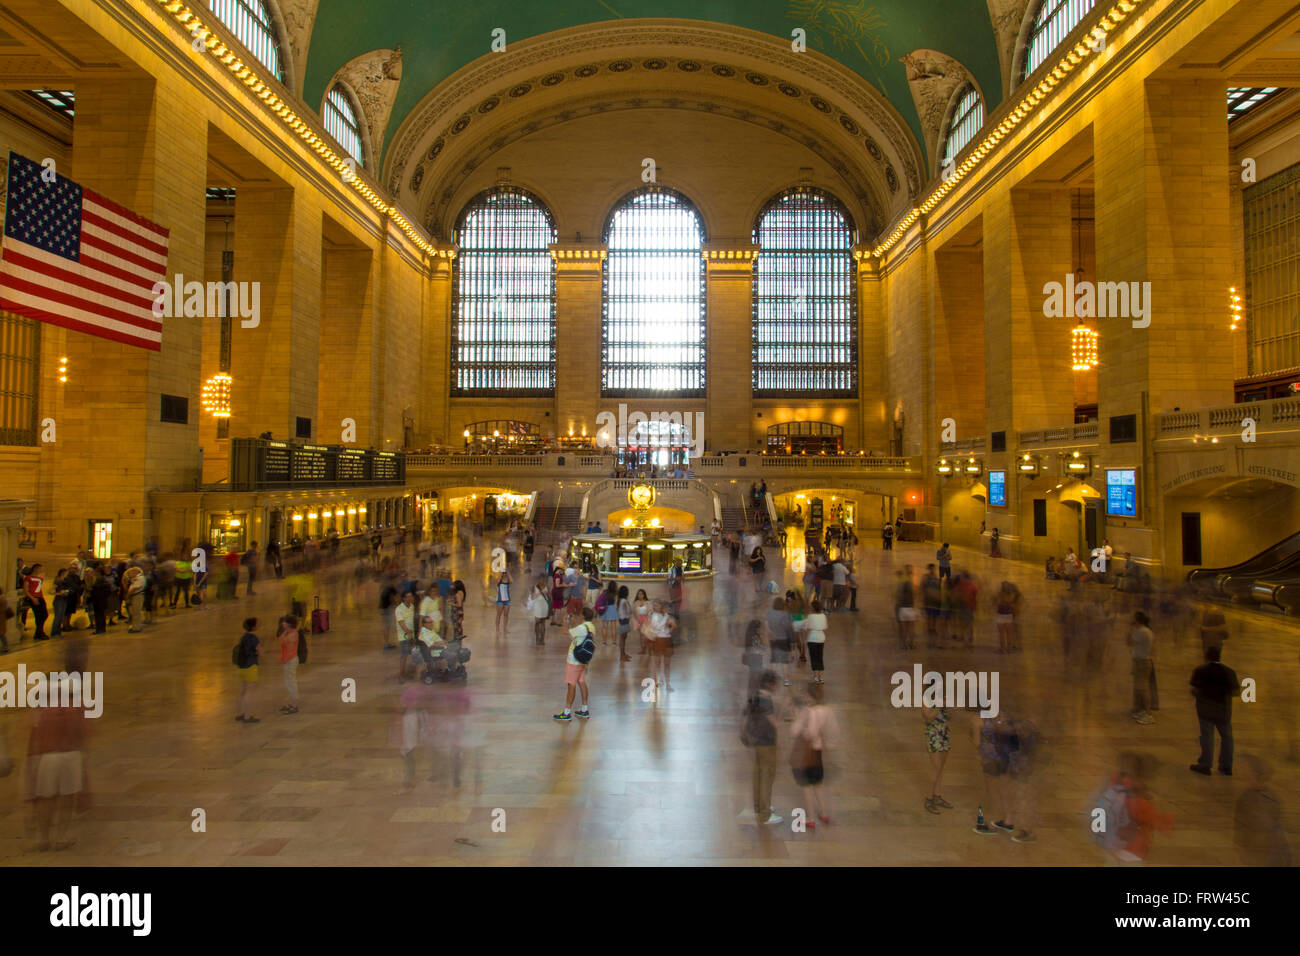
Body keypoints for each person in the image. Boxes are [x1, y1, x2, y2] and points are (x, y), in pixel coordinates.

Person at [28, 640, 91, 851]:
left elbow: (36, 737)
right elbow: (82, 733)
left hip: (48, 757)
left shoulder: (44, 711)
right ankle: (61, 836)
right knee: (67, 799)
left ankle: (43, 838)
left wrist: (34, 762)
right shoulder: (75, 706)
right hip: (70, 755)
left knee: (46, 799)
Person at [789, 683, 836, 827]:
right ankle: (824, 813)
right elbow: (831, 731)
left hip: (806, 753)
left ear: (809, 695)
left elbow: (801, 732)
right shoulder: (827, 710)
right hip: (818, 751)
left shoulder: (808, 711)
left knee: (806, 786)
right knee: (818, 784)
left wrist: (797, 719)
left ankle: (810, 818)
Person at [1233, 755, 1292, 866]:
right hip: (1257, 849)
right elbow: (1240, 824)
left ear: (1256, 775)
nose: (1241, 777)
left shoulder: (1265, 797)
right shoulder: (1245, 797)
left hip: (1265, 849)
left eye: (1245, 774)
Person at [1189, 645, 1239, 776]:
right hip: (1223, 710)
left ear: (1206, 657)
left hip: (1205, 710)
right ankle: (1226, 766)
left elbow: (1194, 691)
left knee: (1207, 738)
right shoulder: (1229, 671)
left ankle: (1205, 765)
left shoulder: (1200, 670)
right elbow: (1236, 692)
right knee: (1227, 738)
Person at [743, 671, 783, 826]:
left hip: (757, 741)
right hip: (767, 742)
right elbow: (775, 723)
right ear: (771, 684)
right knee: (767, 776)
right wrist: (784, 708)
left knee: (758, 774)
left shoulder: (755, 697)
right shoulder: (766, 701)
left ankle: (759, 806)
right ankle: (765, 814)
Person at [554, 607, 596, 721]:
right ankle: (584, 709)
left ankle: (567, 712)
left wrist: (564, 621)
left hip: (574, 660)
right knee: (581, 682)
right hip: (583, 660)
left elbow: (565, 632)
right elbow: (577, 632)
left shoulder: (581, 628)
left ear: (583, 616)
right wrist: (573, 621)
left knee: (571, 684)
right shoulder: (591, 627)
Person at [922, 704, 952, 814]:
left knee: (941, 767)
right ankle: (929, 798)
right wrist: (938, 707)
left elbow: (949, 717)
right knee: (935, 767)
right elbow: (928, 718)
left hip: (944, 733)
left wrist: (948, 707)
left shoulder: (944, 699)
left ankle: (937, 795)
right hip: (934, 735)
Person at [1128, 611, 1157, 724]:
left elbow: (1129, 642)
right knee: (1139, 688)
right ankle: (1142, 710)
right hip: (1141, 661)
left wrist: (1129, 629)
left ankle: (1149, 714)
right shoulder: (1145, 631)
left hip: (1142, 662)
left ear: (1137, 620)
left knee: (1143, 688)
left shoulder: (1142, 631)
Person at [646, 599, 677, 691]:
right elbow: (650, 626)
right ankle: (656, 682)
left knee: (667, 663)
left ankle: (668, 683)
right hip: (657, 640)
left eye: (657, 605)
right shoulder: (651, 615)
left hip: (666, 640)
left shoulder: (666, 616)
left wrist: (668, 632)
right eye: (654, 605)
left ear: (661, 606)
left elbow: (674, 625)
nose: (656, 607)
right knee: (657, 663)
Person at [795, 600, 828, 684]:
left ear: (813, 608)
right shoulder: (823, 616)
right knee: (820, 657)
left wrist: (805, 639)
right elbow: (825, 628)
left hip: (812, 639)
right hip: (821, 638)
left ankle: (815, 676)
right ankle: (820, 677)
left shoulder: (810, 616)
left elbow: (808, 628)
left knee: (814, 658)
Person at [235, 617, 261, 723]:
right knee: (249, 692)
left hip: (241, 667)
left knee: (242, 690)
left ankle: (239, 713)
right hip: (251, 666)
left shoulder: (243, 637)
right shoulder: (254, 638)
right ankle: (247, 716)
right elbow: (259, 651)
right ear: (253, 626)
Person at [765, 596, 795, 687]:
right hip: (784, 639)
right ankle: (786, 680)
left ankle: (772, 680)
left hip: (773, 640)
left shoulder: (769, 613)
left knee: (774, 659)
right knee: (784, 661)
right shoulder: (786, 614)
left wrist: (770, 633)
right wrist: (792, 642)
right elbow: (790, 628)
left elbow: (766, 625)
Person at [278, 615, 300, 715]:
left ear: (289, 624)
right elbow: (280, 640)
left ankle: (294, 705)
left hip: (290, 660)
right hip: (287, 660)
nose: (283, 623)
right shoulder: (288, 632)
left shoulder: (293, 634)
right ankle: (291, 703)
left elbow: (287, 645)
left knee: (291, 682)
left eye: (285, 622)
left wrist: (286, 660)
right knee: (288, 682)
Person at [395, 591, 417, 681]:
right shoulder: (399, 609)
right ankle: (401, 674)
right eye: (408, 597)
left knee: (414, 653)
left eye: (411, 596)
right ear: (404, 598)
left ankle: (411, 672)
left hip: (412, 635)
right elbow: (401, 623)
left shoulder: (412, 606)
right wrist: (407, 631)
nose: (410, 598)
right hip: (403, 636)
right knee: (404, 655)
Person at [23, 564, 48, 641]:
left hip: (40, 597)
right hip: (33, 597)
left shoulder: (40, 578)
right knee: (38, 615)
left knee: (44, 614)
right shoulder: (28, 578)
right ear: (36, 569)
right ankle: (39, 633)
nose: (41, 570)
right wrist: (32, 598)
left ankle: (39, 631)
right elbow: (26, 590)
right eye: (40, 569)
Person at [895, 567, 917, 649]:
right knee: (910, 627)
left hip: (903, 607)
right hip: (909, 607)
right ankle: (911, 643)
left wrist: (898, 605)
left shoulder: (902, 584)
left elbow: (899, 596)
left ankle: (904, 644)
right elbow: (913, 596)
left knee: (904, 628)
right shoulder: (909, 584)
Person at [596, 581, 619, 646]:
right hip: (612, 608)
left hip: (605, 608)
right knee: (613, 627)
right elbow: (616, 602)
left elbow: (599, 598)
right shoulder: (616, 592)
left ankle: (604, 642)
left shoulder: (605, 592)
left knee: (604, 627)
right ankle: (614, 642)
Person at [529, 578, 550, 646]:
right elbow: (532, 597)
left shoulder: (547, 587)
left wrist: (546, 593)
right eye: (540, 579)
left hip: (544, 605)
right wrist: (538, 593)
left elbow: (549, 597)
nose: (541, 581)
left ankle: (542, 639)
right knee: (537, 621)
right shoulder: (534, 587)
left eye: (543, 579)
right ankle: (537, 638)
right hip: (537, 605)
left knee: (543, 622)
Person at [615, 584, 633, 662]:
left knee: (623, 637)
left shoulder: (620, 601)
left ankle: (623, 654)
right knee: (622, 638)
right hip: (624, 620)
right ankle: (622, 655)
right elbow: (628, 611)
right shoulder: (624, 601)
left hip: (622, 620)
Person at [493, 568, 512, 638]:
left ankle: (505, 628)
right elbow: (497, 581)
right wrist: (500, 574)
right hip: (500, 600)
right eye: (503, 573)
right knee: (499, 615)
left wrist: (508, 573)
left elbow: (512, 581)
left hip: (507, 600)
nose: (504, 574)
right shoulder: (499, 580)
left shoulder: (508, 580)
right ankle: (497, 629)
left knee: (506, 615)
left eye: (505, 573)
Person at [633, 588, 651, 654]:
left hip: (646, 619)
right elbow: (634, 612)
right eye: (639, 594)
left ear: (644, 595)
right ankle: (642, 649)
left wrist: (647, 619)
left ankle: (648, 648)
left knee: (647, 635)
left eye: (641, 594)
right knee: (641, 635)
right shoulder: (636, 603)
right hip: (639, 620)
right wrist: (638, 620)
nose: (640, 595)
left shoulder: (647, 602)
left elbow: (649, 611)